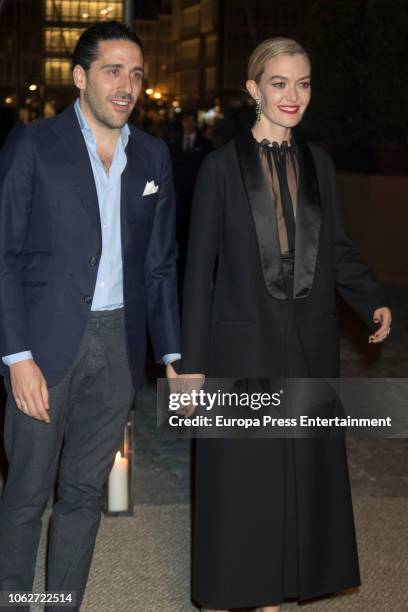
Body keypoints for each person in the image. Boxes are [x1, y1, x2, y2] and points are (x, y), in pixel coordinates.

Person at [180, 38, 392, 611]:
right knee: (243, 480)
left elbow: (339, 250)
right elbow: (197, 272)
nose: (292, 95)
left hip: (309, 343)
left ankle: (277, 592)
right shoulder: (220, 168)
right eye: (279, 83)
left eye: (302, 83)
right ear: (253, 90)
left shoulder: (319, 163)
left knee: (299, 473)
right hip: (239, 348)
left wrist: (371, 297)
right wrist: (190, 364)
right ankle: (235, 591)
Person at [0, 21, 180, 611]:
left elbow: (159, 268)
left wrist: (172, 356)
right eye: (112, 70)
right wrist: (16, 355)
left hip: (119, 348)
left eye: (135, 73)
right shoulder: (32, 145)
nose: (126, 85)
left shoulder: (152, 155)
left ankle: (59, 605)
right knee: (26, 494)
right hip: (44, 347)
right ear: (80, 77)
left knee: (82, 493)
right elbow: (3, 254)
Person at [168, 110, 213, 283]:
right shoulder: (174, 142)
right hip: (178, 196)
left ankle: (192, 263)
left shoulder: (204, 143)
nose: (188, 124)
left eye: (191, 120)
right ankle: (178, 264)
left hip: (196, 196)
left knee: (193, 231)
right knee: (177, 231)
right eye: (185, 120)